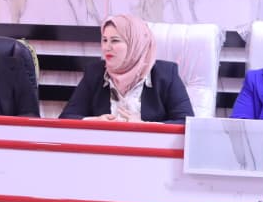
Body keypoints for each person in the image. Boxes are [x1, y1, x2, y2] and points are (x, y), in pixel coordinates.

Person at [59, 14, 194, 124]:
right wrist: (94, 121)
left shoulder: (166, 74)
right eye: (104, 40)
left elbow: (185, 123)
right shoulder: (95, 73)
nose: (107, 47)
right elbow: (66, 118)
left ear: (135, 44)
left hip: (147, 149)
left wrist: (144, 126)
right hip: (104, 147)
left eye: (115, 40)